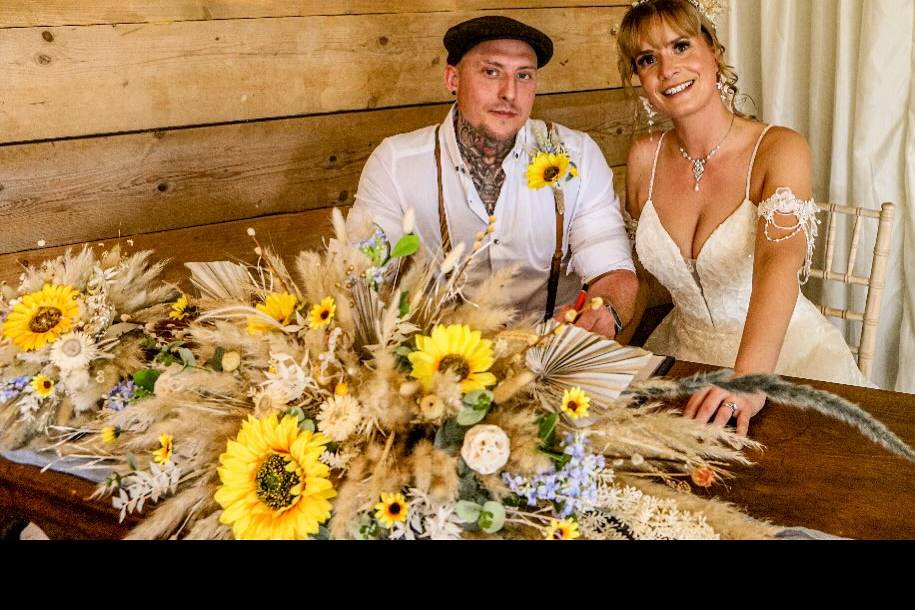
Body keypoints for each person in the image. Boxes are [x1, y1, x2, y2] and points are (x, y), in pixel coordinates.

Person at [617, 0, 872, 436]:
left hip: (782, 359)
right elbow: (640, 277)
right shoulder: (644, 159)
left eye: (680, 46)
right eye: (648, 58)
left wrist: (750, 379)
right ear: (639, 78)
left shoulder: (779, 148)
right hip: (684, 360)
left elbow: (780, 262)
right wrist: (603, 348)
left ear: (713, 52)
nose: (667, 69)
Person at [349, 16, 637, 339]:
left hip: (559, 359)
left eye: (523, 75)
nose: (509, 92)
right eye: (491, 71)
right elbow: (359, 281)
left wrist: (607, 308)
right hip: (438, 368)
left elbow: (613, 268)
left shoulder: (578, 156)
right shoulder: (395, 165)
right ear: (452, 79)